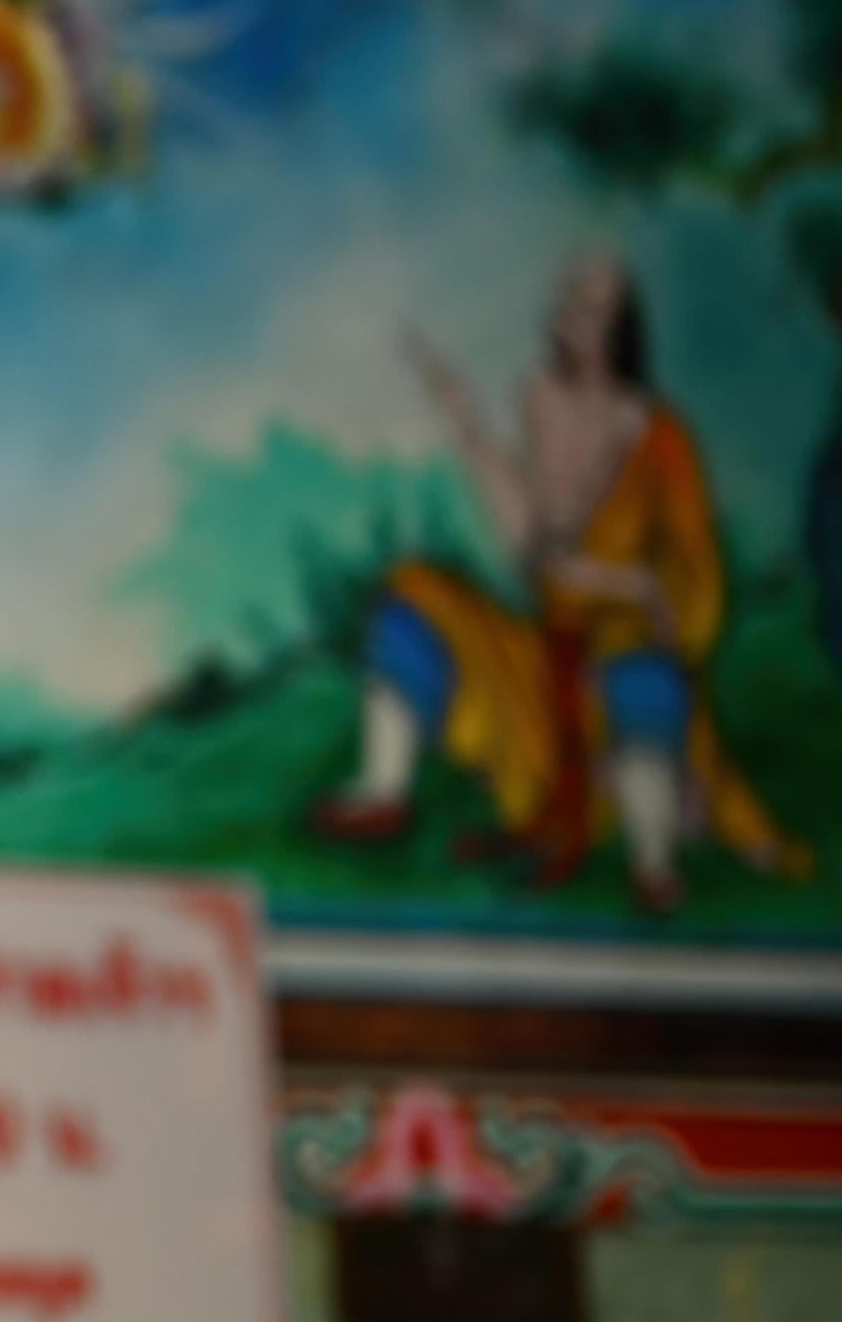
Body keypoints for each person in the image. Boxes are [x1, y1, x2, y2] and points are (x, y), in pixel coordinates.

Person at [308, 245, 808, 912]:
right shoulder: (539, 398)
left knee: (641, 672)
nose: (576, 311)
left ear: (622, 325)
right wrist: (464, 421)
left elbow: (691, 590)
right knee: (413, 592)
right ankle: (381, 792)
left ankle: (653, 864)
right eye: (571, 296)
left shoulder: (660, 436)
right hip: (545, 665)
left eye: (595, 303)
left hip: (619, 658)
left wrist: (632, 594)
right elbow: (534, 549)